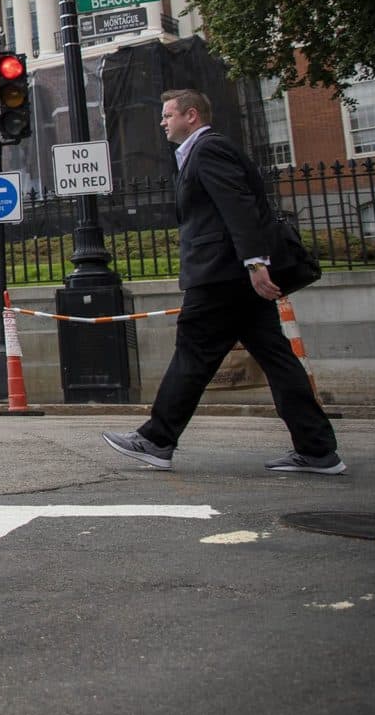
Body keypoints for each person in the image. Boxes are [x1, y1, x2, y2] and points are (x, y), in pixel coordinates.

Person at [102, 89, 345, 475]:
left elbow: (239, 206)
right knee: (277, 359)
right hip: (233, 277)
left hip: (221, 275)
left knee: (193, 353)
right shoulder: (199, 153)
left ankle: (157, 439)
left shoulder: (209, 150)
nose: (163, 122)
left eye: (168, 115)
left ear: (192, 115)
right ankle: (318, 451)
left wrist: (254, 262)